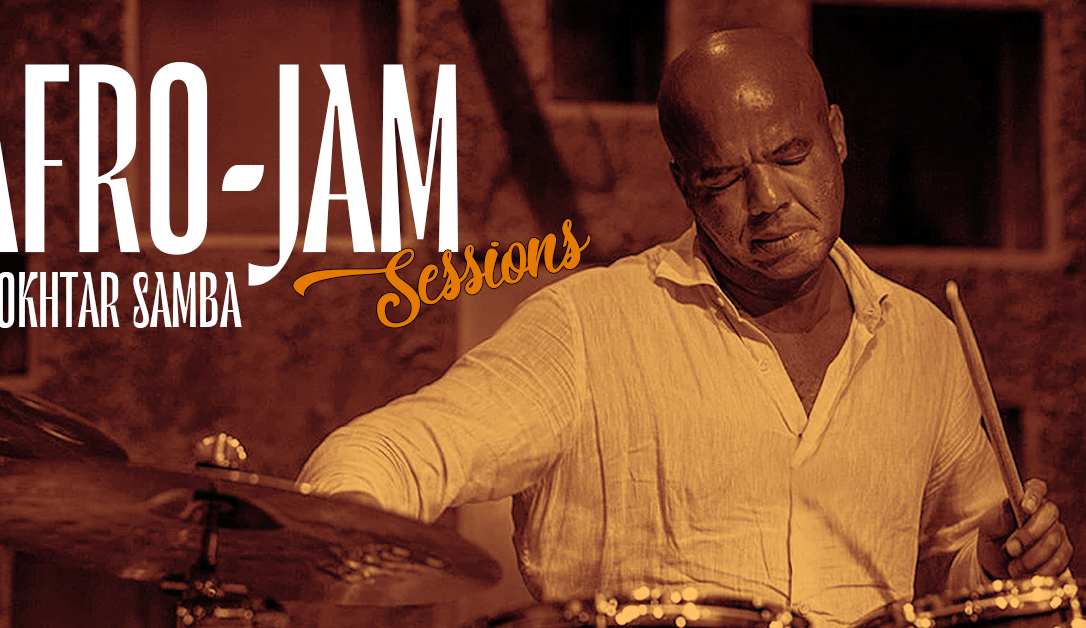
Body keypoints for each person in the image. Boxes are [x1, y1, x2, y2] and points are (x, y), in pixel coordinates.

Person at [298, 28, 1072, 627]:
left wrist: (995, 559)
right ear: (683, 186)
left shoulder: (925, 341)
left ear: (836, 135)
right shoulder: (589, 328)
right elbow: (389, 452)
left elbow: (944, 570)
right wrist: (340, 538)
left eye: (790, 154)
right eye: (723, 177)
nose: (767, 200)